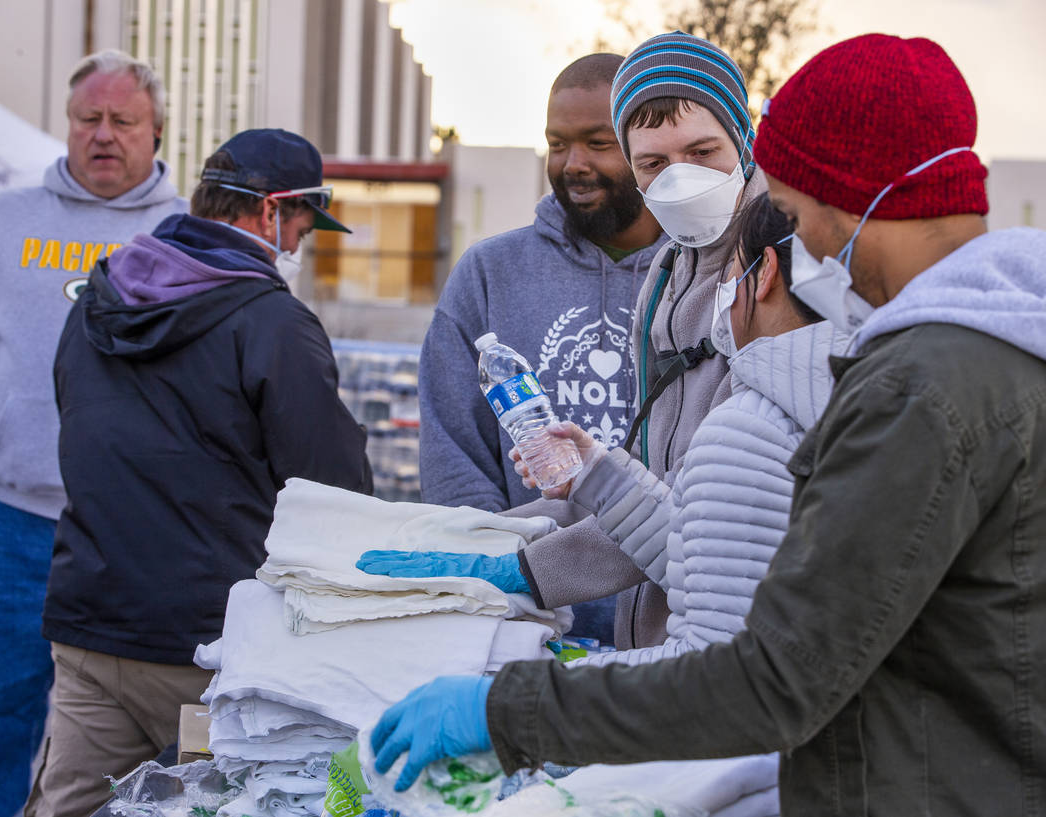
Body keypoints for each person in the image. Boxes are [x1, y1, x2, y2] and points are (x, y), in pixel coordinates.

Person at [367, 34, 1046, 814]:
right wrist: (579, 510)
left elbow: (772, 679)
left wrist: (507, 709)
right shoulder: (999, 347)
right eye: (652, 161)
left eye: (789, 211)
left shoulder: (918, 387)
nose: (801, 245)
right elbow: (715, 540)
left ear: (845, 198)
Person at [362, 34, 767, 651]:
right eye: (557, 144)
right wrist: (498, 570)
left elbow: (718, 517)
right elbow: (453, 446)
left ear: (742, 140)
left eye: (596, 143)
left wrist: (537, 569)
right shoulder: (501, 274)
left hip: (688, 625)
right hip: (540, 622)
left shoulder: (760, 277)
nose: (574, 162)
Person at [26, 128, 373, 817]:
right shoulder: (273, 322)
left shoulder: (98, 298)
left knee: (64, 807)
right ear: (270, 210)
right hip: (215, 649)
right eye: (302, 223)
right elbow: (336, 496)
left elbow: (77, 425)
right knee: (227, 805)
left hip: (93, 626)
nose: (300, 244)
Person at [0, 49, 186, 817]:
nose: (104, 134)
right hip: (8, 527)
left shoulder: (188, 238)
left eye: (125, 120)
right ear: (67, 124)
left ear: (158, 132)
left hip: (135, 537)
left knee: (136, 745)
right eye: (89, 118)